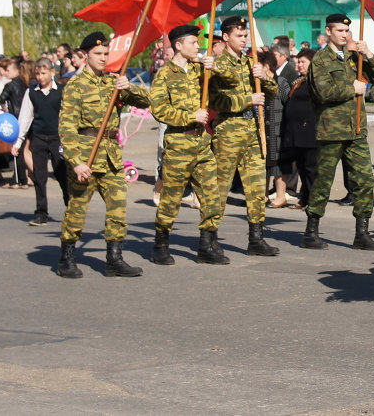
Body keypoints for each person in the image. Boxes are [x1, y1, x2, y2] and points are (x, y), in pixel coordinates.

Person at [55, 31, 152, 279]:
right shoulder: (76, 86)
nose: (103, 58)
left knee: (118, 208)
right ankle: (67, 256)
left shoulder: (113, 82)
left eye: (106, 54)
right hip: (86, 157)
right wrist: (75, 162)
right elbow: (66, 128)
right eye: (98, 54)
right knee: (76, 209)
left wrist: (129, 86)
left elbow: (146, 101)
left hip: (111, 157)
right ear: (85, 55)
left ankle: (114, 258)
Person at [300, 13, 374, 251]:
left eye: (346, 31)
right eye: (339, 31)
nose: (344, 35)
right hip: (331, 131)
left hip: (356, 130)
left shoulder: (353, 58)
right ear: (328, 31)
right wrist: (352, 88)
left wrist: (368, 54)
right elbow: (322, 92)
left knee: (364, 181)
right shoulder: (320, 60)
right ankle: (311, 230)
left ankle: (362, 233)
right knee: (323, 181)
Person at [148, 25, 229, 266]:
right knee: (171, 198)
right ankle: (161, 245)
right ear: (178, 45)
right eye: (193, 43)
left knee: (211, 195)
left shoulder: (199, 70)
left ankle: (207, 244)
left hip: (202, 143)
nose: (198, 47)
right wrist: (189, 117)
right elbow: (159, 109)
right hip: (178, 143)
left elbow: (227, 82)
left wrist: (216, 67)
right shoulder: (164, 75)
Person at [207, 16, 280, 257]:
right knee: (220, 186)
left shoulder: (252, 63)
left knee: (257, 187)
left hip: (252, 131)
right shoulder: (216, 64)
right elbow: (216, 100)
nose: (244, 39)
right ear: (225, 37)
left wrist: (265, 76)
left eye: (245, 35)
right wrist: (247, 100)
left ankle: (256, 238)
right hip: (229, 130)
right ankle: (208, 239)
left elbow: (273, 92)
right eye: (239, 35)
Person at [13, 58, 68, 226]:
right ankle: (41, 212)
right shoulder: (32, 93)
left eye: (43, 73)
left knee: (61, 174)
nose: (40, 77)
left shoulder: (61, 91)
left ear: (52, 72)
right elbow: (24, 118)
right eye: (37, 73)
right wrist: (18, 142)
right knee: (39, 175)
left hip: (57, 138)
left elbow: (67, 116)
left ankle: (71, 206)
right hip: (38, 137)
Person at [280, 49, 317, 210]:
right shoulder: (300, 81)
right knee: (302, 168)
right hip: (296, 133)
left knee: (311, 170)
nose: (299, 65)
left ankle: (313, 201)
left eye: (303, 62)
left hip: (309, 133)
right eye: (298, 62)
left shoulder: (316, 82)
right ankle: (304, 198)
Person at [258, 51, 293, 209]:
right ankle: (263, 196)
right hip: (262, 130)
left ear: (266, 66)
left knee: (279, 165)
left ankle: (280, 196)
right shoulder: (256, 83)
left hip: (279, 129)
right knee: (262, 164)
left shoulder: (281, 81)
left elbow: (289, 102)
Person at [0, 58, 30, 188]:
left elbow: (1, 99)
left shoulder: (10, 85)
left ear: (17, 71)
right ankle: (22, 178)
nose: (6, 72)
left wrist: (6, 112)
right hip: (25, 118)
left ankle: (18, 179)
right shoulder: (24, 83)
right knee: (23, 150)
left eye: (8, 70)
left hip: (15, 119)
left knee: (16, 151)